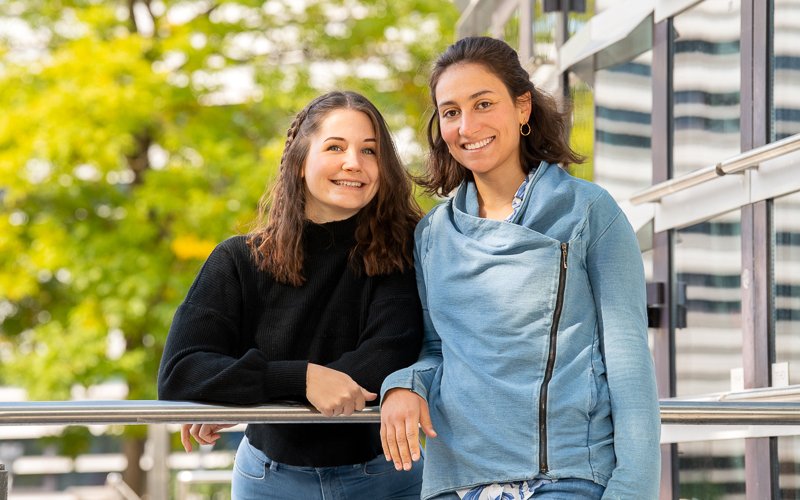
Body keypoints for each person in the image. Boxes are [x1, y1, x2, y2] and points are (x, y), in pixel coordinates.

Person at [379, 36, 660, 500]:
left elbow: (629, 362)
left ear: (523, 107)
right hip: (457, 480)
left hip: (565, 477)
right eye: (451, 112)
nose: (467, 126)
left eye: (483, 103)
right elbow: (436, 351)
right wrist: (403, 386)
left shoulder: (589, 211)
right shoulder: (432, 234)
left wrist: (633, 488)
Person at [158, 90, 425, 499]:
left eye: (369, 150)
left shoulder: (400, 253)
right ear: (301, 161)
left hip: (385, 479)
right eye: (335, 146)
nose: (354, 162)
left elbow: (385, 361)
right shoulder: (239, 260)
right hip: (269, 483)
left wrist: (242, 391)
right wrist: (300, 379)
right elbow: (182, 373)